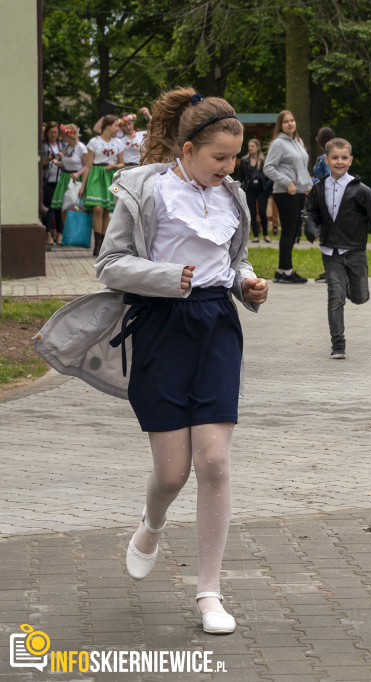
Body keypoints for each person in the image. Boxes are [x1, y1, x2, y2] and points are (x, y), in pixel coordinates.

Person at [35, 87, 268, 635]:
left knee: (213, 462)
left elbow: (230, 259)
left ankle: (209, 591)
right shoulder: (147, 193)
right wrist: (167, 277)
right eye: (219, 158)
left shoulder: (232, 196)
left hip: (217, 328)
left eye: (234, 158)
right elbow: (110, 263)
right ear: (187, 150)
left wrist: (246, 283)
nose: (229, 168)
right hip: (160, 329)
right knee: (172, 470)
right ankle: (152, 522)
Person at [301, 137, 371, 359]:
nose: (339, 162)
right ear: (326, 160)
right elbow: (309, 211)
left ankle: (351, 288)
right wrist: (312, 229)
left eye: (343, 158)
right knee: (335, 296)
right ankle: (338, 345)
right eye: (334, 158)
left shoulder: (362, 191)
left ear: (350, 160)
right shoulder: (319, 188)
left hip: (356, 251)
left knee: (360, 297)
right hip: (331, 252)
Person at [264, 110, 312, 283]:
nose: (291, 123)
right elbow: (268, 167)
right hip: (285, 193)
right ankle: (285, 271)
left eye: (292, 120)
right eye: (286, 122)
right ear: (281, 125)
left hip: (300, 193)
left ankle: (283, 270)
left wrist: (308, 186)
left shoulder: (298, 141)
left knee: (295, 233)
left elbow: (302, 169)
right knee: (288, 232)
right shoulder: (278, 143)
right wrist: (287, 182)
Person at [81, 114, 125, 256]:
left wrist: (114, 166)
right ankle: (97, 243)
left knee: (106, 210)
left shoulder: (118, 143)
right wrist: (82, 185)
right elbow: (88, 165)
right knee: (98, 208)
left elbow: (122, 163)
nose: (118, 128)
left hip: (109, 175)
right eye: (115, 125)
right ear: (107, 126)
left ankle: (103, 245)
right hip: (95, 175)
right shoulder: (94, 142)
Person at [311, 126, 336, 282]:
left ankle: (332, 272)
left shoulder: (325, 158)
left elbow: (329, 178)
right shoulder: (332, 155)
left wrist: (313, 182)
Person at [50, 123, 89, 226]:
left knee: (75, 206)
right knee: (64, 206)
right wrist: (57, 163)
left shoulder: (81, 147)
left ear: (70, 135)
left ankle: (75, 230)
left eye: (64, 135)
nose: (62, 137)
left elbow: (87, 166)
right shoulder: (67, 147)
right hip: (65, 178)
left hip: (76, 179)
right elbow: (68, 162)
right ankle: (66, 231)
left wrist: (78, 173)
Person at [238, 138, 271, 243]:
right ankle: (256, 236)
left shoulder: (264, 160)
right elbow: (241, 176)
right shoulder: (244, 160)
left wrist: (268, 187)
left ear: (257, 148)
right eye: (249, 146)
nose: (250, 148)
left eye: (252, 146)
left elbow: (269, 175)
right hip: (249, 188)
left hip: (261, 188)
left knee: (262, 212)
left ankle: (265, 235)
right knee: (251, 212)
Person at [40, 121, 65, 244]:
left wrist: (62, 157)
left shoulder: (62, 145)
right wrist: (47, 160)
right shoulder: (43, 145)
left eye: (55, 132)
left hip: (60, 180)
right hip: (47, 180)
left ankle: (60, 233)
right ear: (47, 133)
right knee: (48, 208)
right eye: (51, 133)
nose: (53, 135)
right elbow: (39, 164)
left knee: (59, 208)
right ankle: (48, 233)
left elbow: (69, 161)